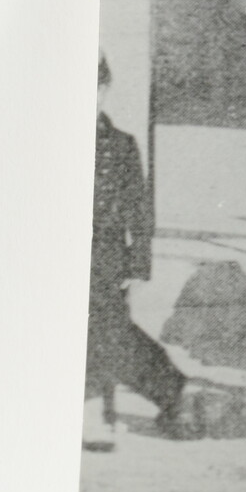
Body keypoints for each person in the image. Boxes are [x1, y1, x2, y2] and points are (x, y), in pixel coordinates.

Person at [86, 54, 188, 451]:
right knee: (98, 332)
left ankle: (104, 412)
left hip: (108, 254)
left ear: (106, 90)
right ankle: (161, 390)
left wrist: (139, 262)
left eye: (96, 88)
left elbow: (139, 209)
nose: (89, 96)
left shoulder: (122, 145)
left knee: (106, 333)